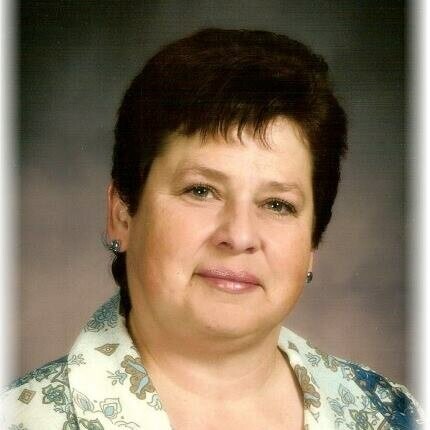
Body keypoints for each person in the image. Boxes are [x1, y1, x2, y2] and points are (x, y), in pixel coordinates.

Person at [1, 28, 423, 430]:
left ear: (313, 242)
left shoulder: (391, 416)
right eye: (201, 191)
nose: (239, 236)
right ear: (123, 214)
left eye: (277, 204)